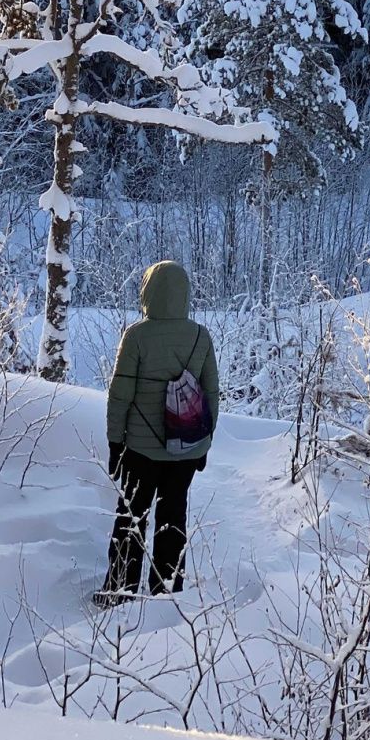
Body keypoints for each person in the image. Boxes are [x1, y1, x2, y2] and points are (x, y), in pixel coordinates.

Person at [94, 260, 219, 606]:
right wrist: (203, 442)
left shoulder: (135, 336)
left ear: (148, 291)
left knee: (131, 517)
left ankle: (120, 589)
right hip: (185, 450)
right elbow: (212, 393)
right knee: (173, 518)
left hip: (139, 450)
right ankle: (167, 593)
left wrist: (115, 442)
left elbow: (120, 395)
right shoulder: (200, 336)